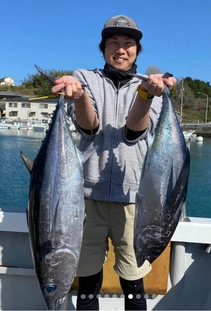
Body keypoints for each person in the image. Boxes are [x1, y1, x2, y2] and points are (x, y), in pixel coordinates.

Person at [52, 15, 176, 311]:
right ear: (104, 47)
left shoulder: (152, 86)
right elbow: (89, 128)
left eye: (128, 44)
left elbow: (134, 133)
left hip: (133, 199)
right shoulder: (85, 78)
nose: (120, 49)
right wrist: (80, 95)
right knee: (87, 280)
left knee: (133, 281)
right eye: (113, 43)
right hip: (84, 199)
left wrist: (146, 94)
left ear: (137, 50)